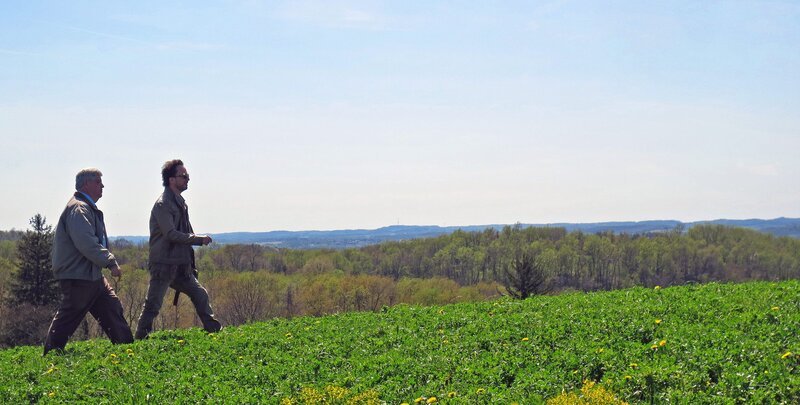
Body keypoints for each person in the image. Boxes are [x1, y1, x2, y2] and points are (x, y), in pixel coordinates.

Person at [44, 168, 134, 355]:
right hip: (78, 276)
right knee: (69, 317)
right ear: (86, 184)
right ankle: (51, 355)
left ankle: (127, 351)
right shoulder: (79, 208)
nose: (102, 186)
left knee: (111, 309)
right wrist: (109, 261)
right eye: (98, 182)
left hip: (91, 275)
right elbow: (86, 243)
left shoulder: (86, 207)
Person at [135, 159, 221, 339]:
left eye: (187, 176)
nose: (187, 179)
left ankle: (214, 330)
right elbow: (171, 234)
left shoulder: (180, 202)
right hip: (164, 264)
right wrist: (198, 239)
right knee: (153, 304)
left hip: (181, 265)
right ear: (171, 180)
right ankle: (140, 338)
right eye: (183, 176)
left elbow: (183, 232)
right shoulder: (163, 204)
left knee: (200, 294)